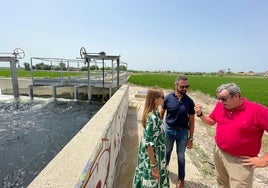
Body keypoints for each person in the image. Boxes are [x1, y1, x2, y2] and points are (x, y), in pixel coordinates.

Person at [194, 83, 268, 188]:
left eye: (224, 98)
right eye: (218, 98)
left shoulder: (257, 110)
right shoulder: (221, 105)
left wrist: (264, 160)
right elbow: (211, 121)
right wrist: (200, 114)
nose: (220, 102)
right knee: (222, 183)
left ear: (237, 96)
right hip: (219, 152)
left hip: (240, 161)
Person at [160, 75, 195, 188]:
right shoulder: (168, 98)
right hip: (168, 131)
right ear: (176, 85)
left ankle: (181, 179)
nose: (185, 89)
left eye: (187, 86)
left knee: (181, 156)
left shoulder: (190, 102)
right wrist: (159, 129)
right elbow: (161, 114)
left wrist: (190, 138)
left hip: (182, 133)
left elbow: (192, 121)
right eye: (182, 86)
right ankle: (163, 172)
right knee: (166, 153)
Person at [133, 87, 170, 188]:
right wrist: (154, 165)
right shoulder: (153, 118)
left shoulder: (155, 114)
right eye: (162, 97)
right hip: (154, 156)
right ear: (155, 99)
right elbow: (149, 144)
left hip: (156, 155)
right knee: (153, 182)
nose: (164, 99)